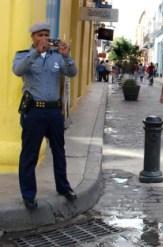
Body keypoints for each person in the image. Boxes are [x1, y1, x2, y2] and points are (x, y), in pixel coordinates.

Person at [12, 22, 78, 210]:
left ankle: (63, 187)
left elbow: (72, 73)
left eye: (47, 34)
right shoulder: (24, 55)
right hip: (34, 112)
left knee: (59, 151)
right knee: (29, 154)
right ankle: (29, 195)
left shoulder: (57, 56)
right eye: (40, 35)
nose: (44, 38)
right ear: (33, 37)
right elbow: (17, 71)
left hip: (54, 112)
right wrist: (35, 53)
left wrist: (68, 57)